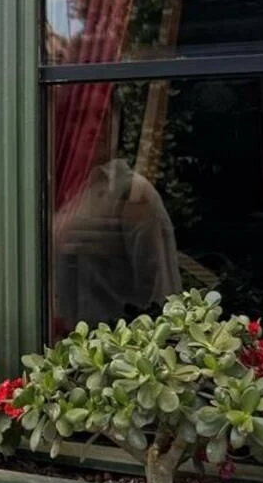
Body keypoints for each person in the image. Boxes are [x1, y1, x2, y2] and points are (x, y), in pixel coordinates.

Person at [53, 86, 182, 334]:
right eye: (82, 116)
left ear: (117, 122)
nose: (96, 126)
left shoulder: (133, 194)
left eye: (103, 115)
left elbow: (164, 295)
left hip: (115, 351)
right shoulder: (61, 191)